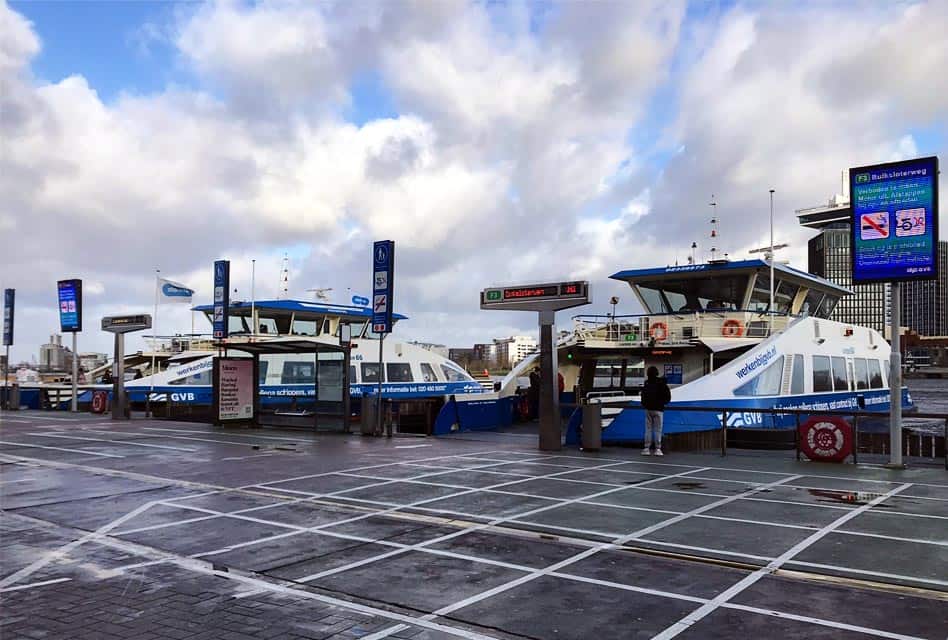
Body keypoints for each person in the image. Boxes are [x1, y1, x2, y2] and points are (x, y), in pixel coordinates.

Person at [640, 365, 671, 456]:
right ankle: (658, 449)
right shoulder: (662, 383)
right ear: (657, 373)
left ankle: (646, 448)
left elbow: (643, 396)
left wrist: (645, 405)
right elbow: (667, 397)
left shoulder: (647, 383)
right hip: (659, 409)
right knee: (658, 429)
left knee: (648, 429)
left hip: (648, 409)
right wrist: (663, 403)